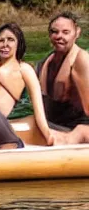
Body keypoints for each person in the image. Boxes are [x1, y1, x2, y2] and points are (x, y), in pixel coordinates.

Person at [36, 11, 89, 144]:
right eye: (55, 32)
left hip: (77, 130)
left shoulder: (80, 60)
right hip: (52, 126)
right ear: (49, 35)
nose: (59, 36)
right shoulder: (43, 63)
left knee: (80, 132)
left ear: (77, 33)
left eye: (66, 32)